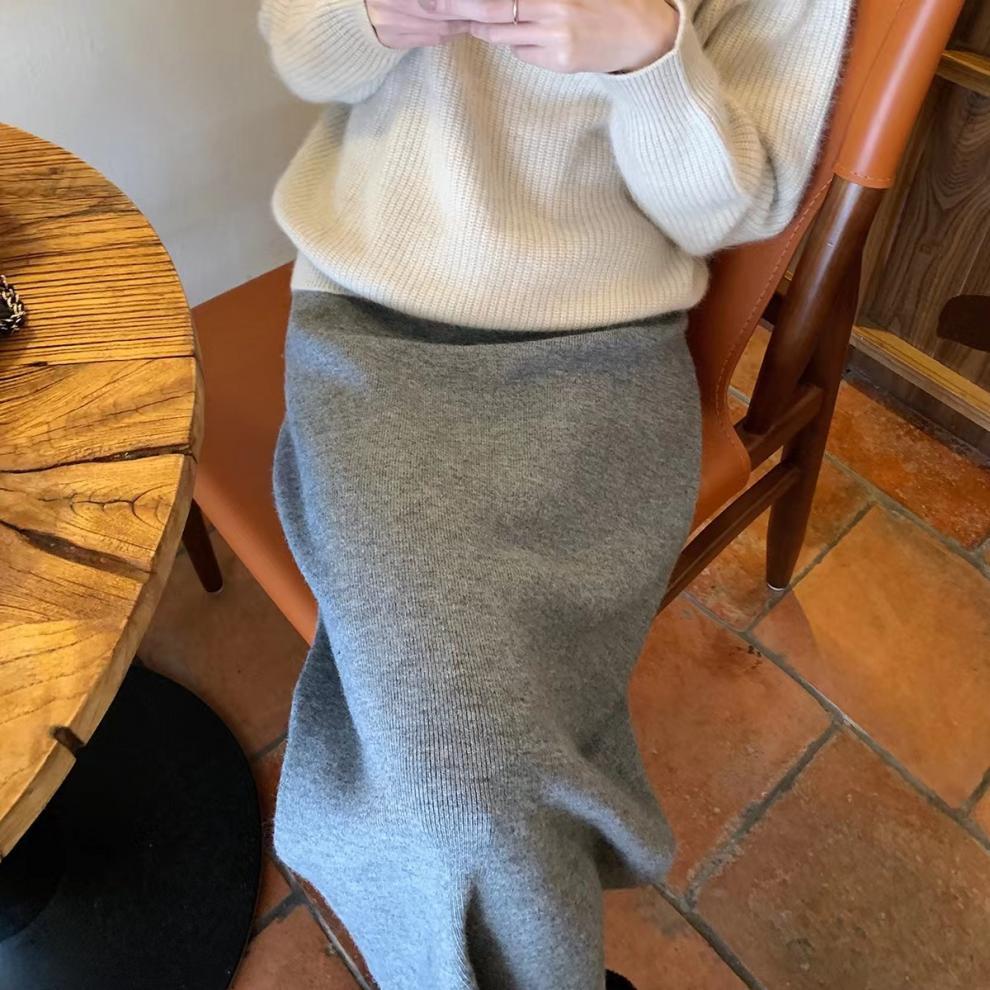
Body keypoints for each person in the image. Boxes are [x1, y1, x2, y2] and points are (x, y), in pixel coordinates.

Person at [260, 0, 853, 986]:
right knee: (460, 782)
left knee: (473, 781)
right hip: (368, 322)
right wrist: (369, 15)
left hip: (600, 351)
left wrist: (647, 54)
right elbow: (302, 52)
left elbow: (733, 208)